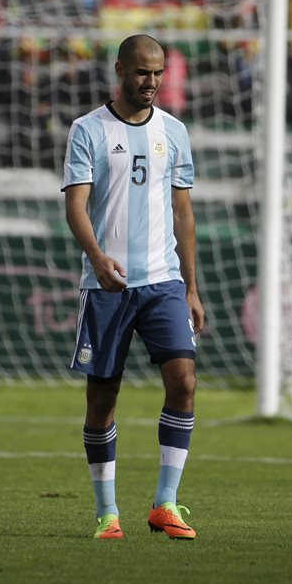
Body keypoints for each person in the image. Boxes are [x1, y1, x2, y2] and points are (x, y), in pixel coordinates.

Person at [62, 34, 205, 541]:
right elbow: (75, 205)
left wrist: (191, 286)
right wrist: (97, 258)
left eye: (158, 73)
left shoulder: (174, 131)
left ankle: (165, 504)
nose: (151, 83)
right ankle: (107, 512)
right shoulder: (87, 130)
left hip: (163, 281)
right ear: (120, 70)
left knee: (184, 381)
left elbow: (183, 212)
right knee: (103, 399)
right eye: (142, 73)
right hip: (108, 286)